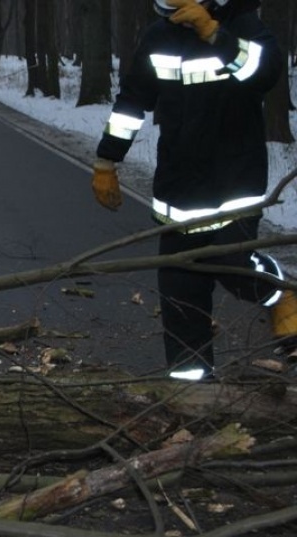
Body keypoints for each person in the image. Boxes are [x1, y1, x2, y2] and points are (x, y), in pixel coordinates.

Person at [91, 0, 296, 381]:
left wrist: (216, 35)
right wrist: (107, 160)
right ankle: (192, 397)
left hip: (235, 178)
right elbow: (132, 103)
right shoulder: (158, 37)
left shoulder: (241, 22)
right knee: (180, 293)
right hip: (178, 186)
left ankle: (281, 294)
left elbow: (266, 72)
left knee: (234, 267)